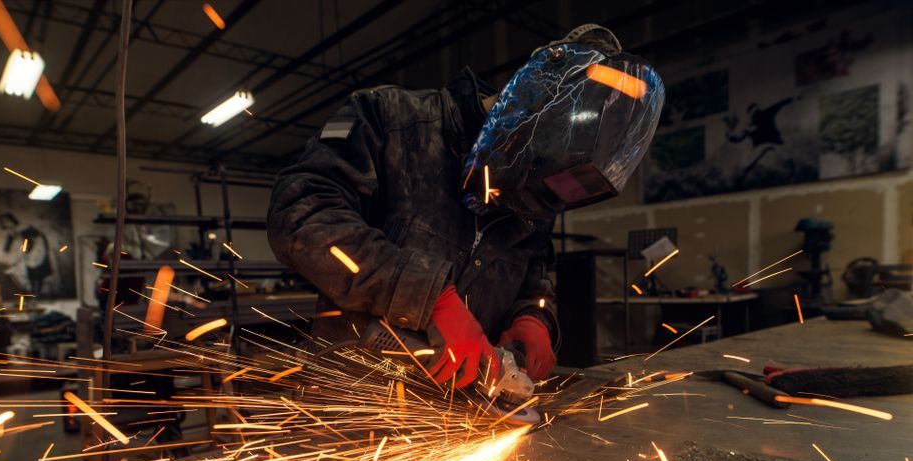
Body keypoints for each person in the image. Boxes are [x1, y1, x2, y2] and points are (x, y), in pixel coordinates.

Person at [268, 24, 663, 389]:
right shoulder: (390, 119)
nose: (521, 202)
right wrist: (429, 297)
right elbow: (301, 212)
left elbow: (535, 279)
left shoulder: (536, 197)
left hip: (456, 418)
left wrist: (533, 319)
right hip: (352, 404)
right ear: (525, 115)